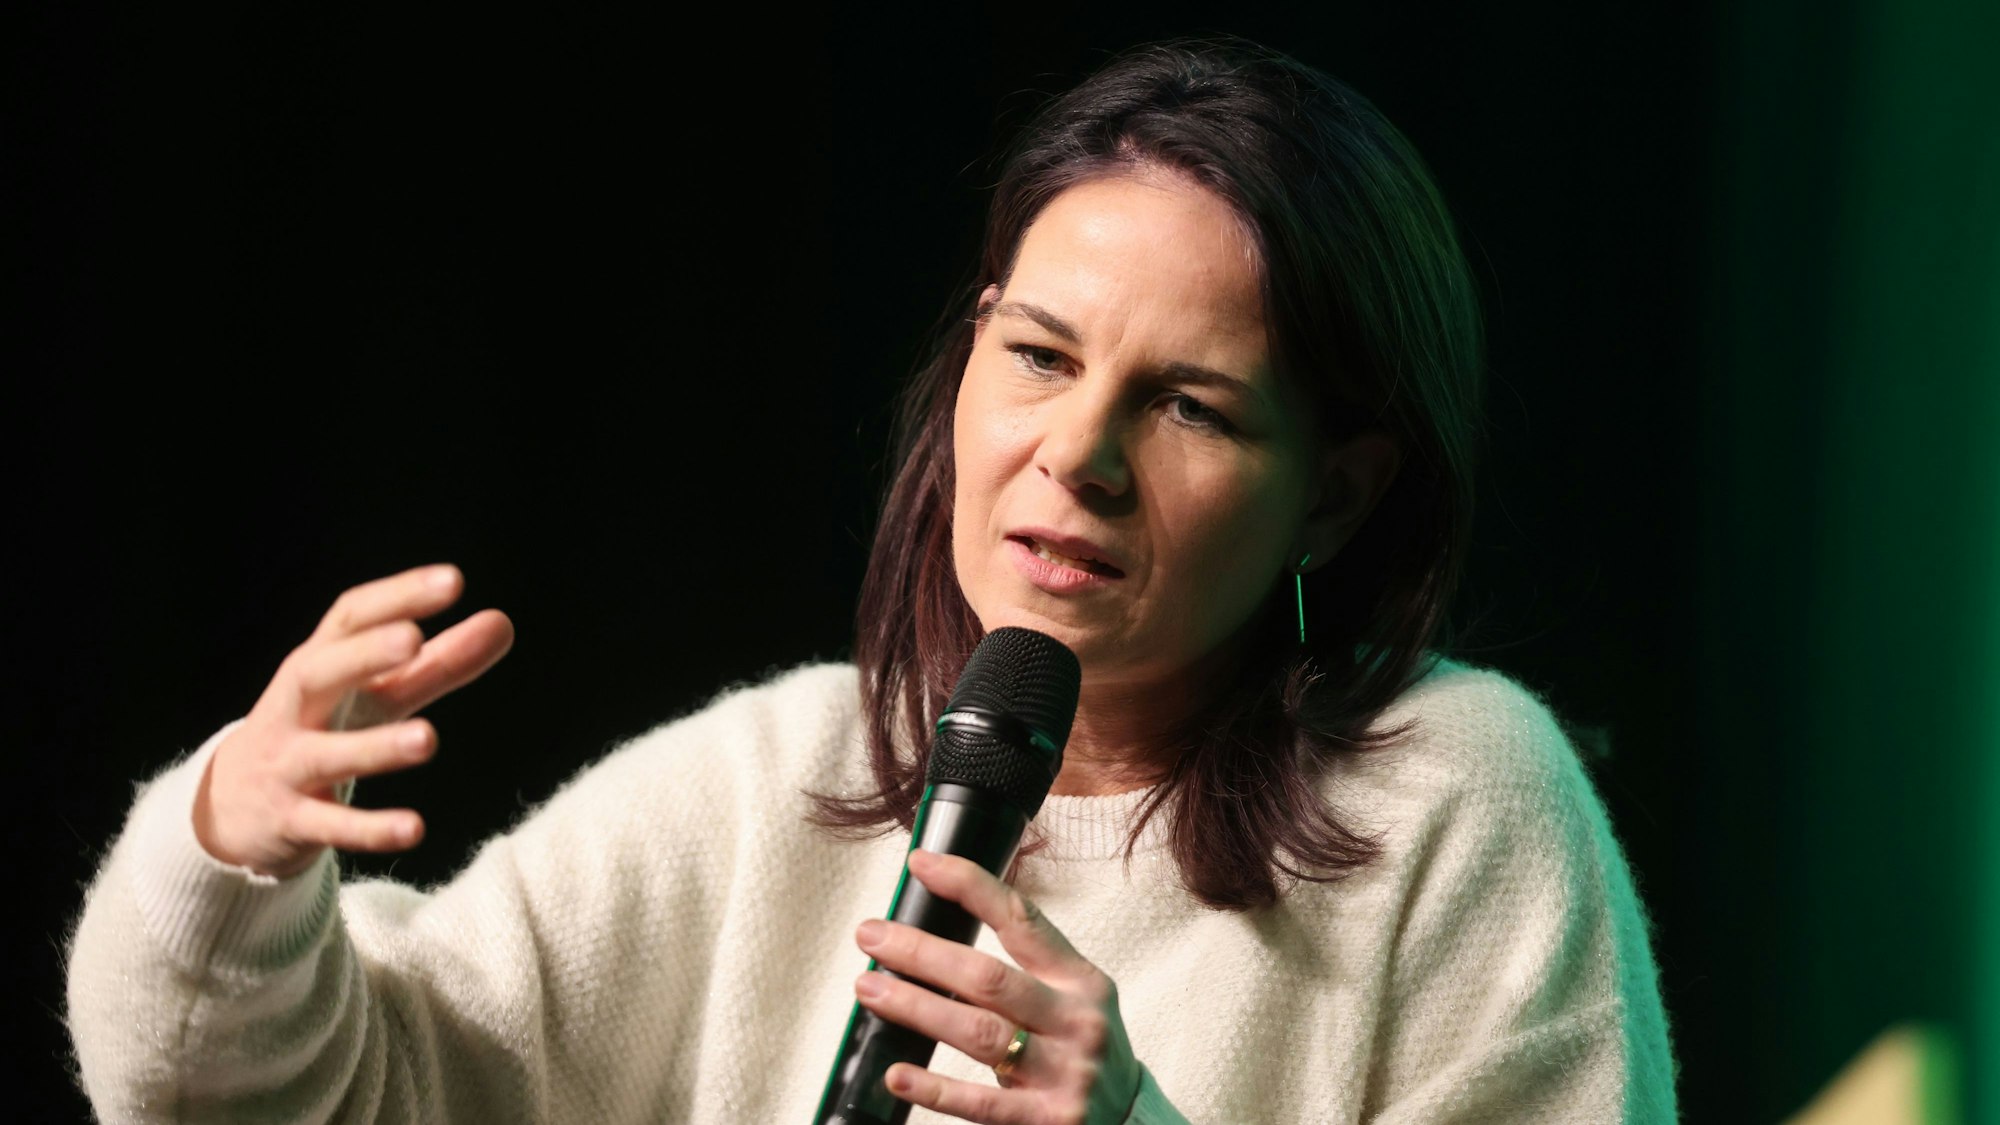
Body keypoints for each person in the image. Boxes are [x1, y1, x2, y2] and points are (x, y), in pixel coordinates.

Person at [63, 34, 1677, 1124]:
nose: (1078, 452)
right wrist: (231, 858)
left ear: (1336, 493)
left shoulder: (1462, 804)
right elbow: (301, 1096)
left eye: (1187, 405)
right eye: (1038, 356)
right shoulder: (787, 773)